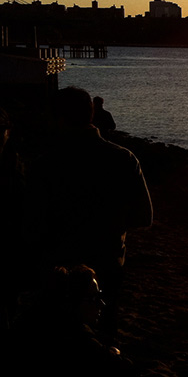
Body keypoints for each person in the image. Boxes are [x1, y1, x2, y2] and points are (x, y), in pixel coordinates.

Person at [40, 87, 153, 342]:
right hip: (108, 262)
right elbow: (144, 217)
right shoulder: (125, 159)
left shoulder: (45, 165)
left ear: (59, 118)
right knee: (104, 331)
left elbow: (32, 225)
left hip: (60, 267)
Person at [9, 264, 137, 375]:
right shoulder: (76, 338)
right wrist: (114, 353)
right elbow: (124, 367)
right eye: (93, 298)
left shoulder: (33, 321)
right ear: (72, 301)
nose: (101, 304)